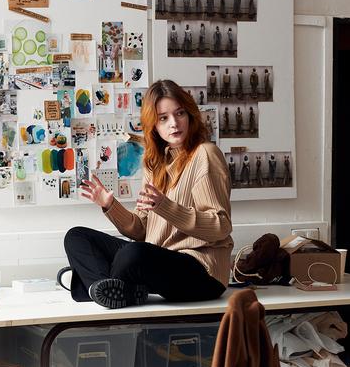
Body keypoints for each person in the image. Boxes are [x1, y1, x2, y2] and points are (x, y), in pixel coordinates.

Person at [63, 80, 233, 308]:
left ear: (190, 115)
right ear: (154, 125)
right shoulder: (155, 164)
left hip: (202, 271)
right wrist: (111, 206)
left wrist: (166, 207)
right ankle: (105, 287)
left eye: (179, 113)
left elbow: (220, 227)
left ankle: (91, 282)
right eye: (163, 118)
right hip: (160, 261)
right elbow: (141, 231)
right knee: (76, 237)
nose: (174, 123)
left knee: (132, 255)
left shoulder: (205, 154)